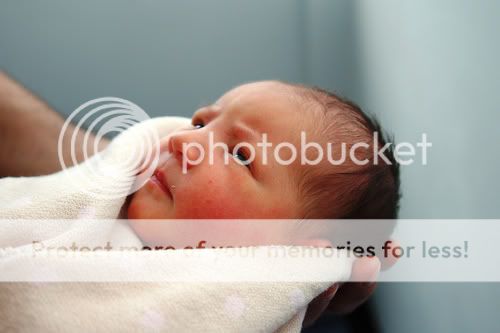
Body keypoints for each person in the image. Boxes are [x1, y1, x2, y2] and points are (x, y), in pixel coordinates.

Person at [0, 71, 395, 327]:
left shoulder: (219, 306)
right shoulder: (103, 200)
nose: (182, 140)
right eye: (201, 123)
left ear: (293, 254)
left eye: (241, 156)